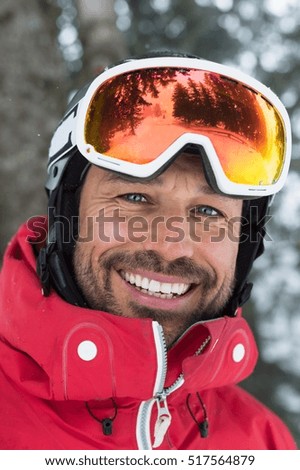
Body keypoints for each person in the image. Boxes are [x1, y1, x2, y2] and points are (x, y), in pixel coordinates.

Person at [0, 53, 297, 450]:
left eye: (208, 211)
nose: (172, 246)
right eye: (135, 196)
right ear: (66, 215)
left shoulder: (264, 442)